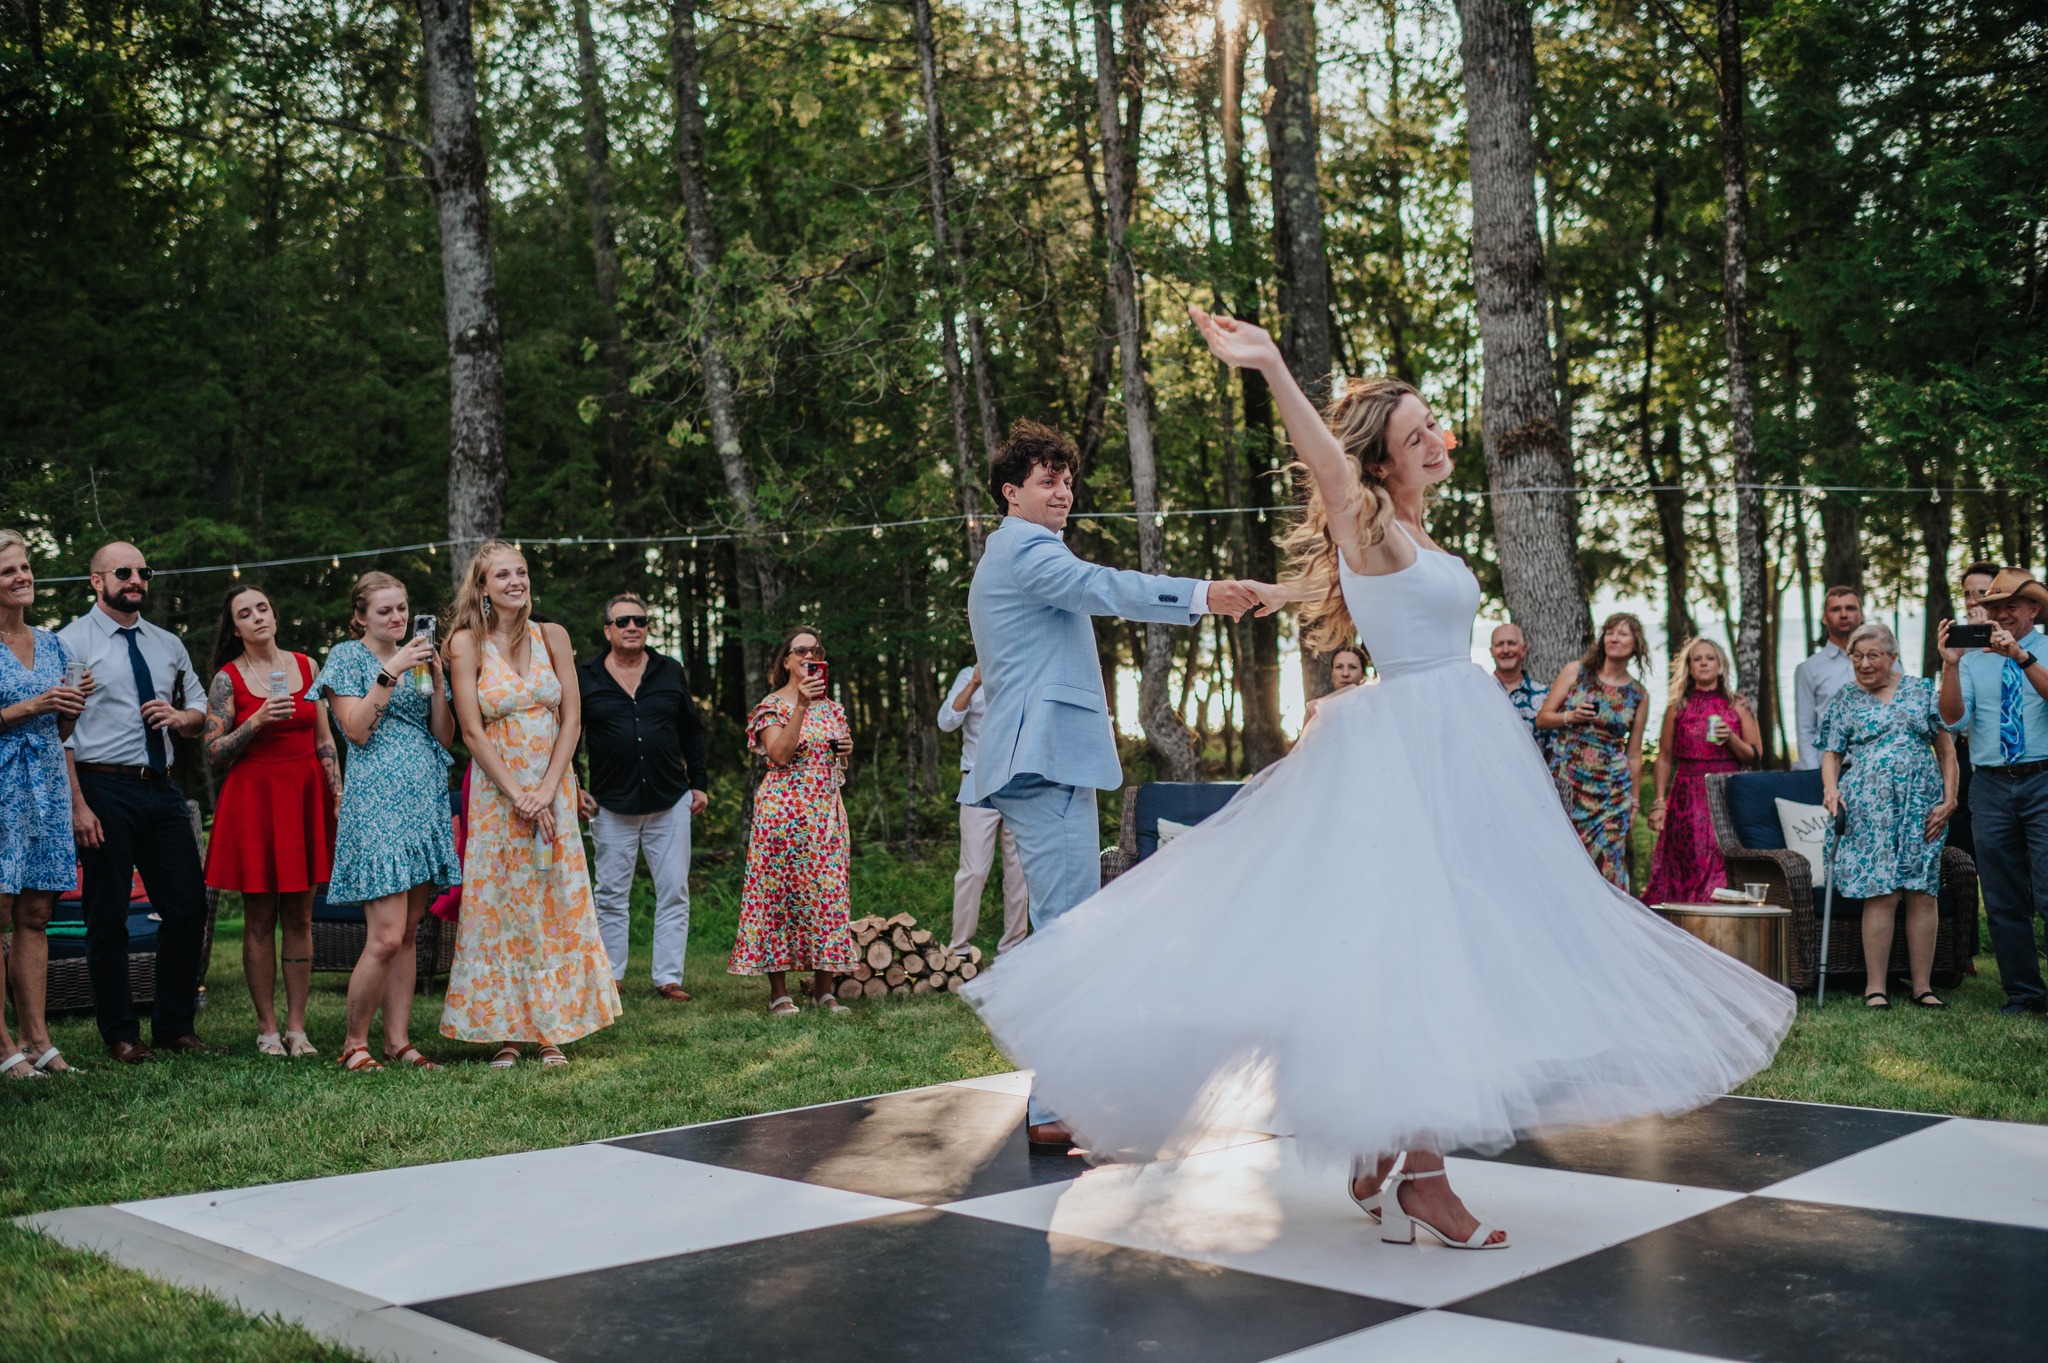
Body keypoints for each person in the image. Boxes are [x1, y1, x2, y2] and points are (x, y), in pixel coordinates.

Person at [960, 307, 1791, 1255]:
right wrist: (1271, 362)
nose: (1438, 438)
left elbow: (1352, 595)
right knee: (1424, 944)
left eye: (1435, 423)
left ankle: (1386, 1141)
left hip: (1456, 748)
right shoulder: (1371, 522)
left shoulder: (1412, 538)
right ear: (1382, 464)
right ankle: (1423, 1176)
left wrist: (1270, 594)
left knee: (1447, 942)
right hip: (1411, 751)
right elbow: (1326, 467)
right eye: (1414, 434)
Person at [959, 417, 1267, 1152]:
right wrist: (1202, 594)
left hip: (1044, 759)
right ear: (1012, 493)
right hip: (1046, 759)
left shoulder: (1020, 548)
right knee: (1068, 933)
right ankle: (1054, 1104)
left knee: (1067, 928)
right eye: (1046, 480)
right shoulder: (1026, 547)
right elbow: (1101, 586)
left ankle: (1061, 1096)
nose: (1063, 489)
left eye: (1067, 478)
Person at [445, 543, 621, 1066]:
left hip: (553, 789)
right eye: (503, 574)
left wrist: (547, 789)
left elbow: (572, 718)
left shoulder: (554, 636)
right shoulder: (463, 644)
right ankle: (506, 1033)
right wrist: (519, 795)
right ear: (482, 587)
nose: (516, 581)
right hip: (498, 797)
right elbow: (471, 732)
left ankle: (552, 1029)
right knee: (500, 909)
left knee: (554, 902)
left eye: (521, 572)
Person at [58, 541, 221, 1064]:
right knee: (105, 914)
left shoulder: (166, 642)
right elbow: (59, 735)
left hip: (161, 785)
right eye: (123, 571)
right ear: (95, 581)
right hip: (101, 786)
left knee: (188, 905)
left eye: (142, 571)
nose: (135, 579)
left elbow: (198, 706)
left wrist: (182, 719)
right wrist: (79, 805)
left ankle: (174, 1025)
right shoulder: (69, 643)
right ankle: (121, 1033)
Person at [315, 571, 463, 1071]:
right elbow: (355, 730)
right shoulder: (346, 658)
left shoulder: (422, 659)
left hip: (424, 799)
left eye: (402, 608)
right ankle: (354, 1043)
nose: (397, 617)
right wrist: (393, 669)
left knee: (408, 931)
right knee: (383, 935)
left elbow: (443, 737)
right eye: (385, 610)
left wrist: (439, 683)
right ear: (361, 616)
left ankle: (397, 1042)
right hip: (377, 803)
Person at [202, 585, 340, 1057]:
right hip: (255, 799)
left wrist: (336, 792)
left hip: (304, 795)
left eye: (263, 607)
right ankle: (267, 1028)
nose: (258, 616)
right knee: (260, 917)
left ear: (275, 616)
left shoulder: (307, 667)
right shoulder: (226, 679)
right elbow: (214, 751)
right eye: (246, 612)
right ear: (235, 627)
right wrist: (257, 720)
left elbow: (325, 739)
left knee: (300, 915)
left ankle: (298, 1028)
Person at [577, 593, 709, 1002]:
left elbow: (691, 729)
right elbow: (566, 735)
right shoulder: (586, 676)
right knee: (611, 894)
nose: (632, 627)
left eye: (639, 620)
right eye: (622, 621)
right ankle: (611, 976)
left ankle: (668, 977)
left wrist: (699, 783)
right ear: (607, 630)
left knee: (674, 890)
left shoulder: (670, 671)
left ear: (647, 627)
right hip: (610, 803)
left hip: (670, 800)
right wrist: (573, 784)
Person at [1820, 622, 1958, 1008]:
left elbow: (1946, 751)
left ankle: (1922, 987)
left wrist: (1950, 800)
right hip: (1868, 809)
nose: (1863, 664)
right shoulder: (1846, 698)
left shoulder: (1920, 691)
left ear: (1892, 657)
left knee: (1921, 892)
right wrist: (1831, 788)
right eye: (1856, 656)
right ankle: (1875, 988)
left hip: (1921, 806)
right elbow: (1831, 752)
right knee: (1881, 893)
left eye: (1872, 656)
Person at [730, 626, 860, 1014]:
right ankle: (779, 994)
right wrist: (801, 706)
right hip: (782, 815)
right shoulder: (772, 706)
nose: (808, 655)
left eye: (815, 650)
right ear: (785, 661)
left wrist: (844, 754)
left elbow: (834, 769)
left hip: (824, 815)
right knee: (779, 900)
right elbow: (780, 756)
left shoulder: (834, 709)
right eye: (800, 649)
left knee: (827, 898)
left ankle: (825, 990)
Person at [0, 529, 91, 1076]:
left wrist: (73, 704)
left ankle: (38, 1039)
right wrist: (32, 704)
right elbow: (29, 712)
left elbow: (59, 731)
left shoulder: (54, 643)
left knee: (35, 913)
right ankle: (0, 1042)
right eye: (9, 570)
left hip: (46, 787)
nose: (23, 576)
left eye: (26, 567)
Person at [1937, 568, 2048, 1017]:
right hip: (1990, 786)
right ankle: (2025, 995)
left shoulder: (2042, 649)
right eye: (1996, 606)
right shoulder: (1973, 658)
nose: (2001, 614)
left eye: (2011, 607)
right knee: (2002, 899)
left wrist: (2020, 656)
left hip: (2043, 780)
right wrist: (1949, 664)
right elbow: (1951, 721)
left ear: (2033, 610)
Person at [1538, 613, 1651, 890]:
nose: (1614, 638)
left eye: (1623, 634)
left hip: (1612, 793)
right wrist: (1571, 716)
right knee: (1563, 860)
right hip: (1569, 784)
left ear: (1636, 645)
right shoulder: (1576, 672)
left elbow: (1634, 754)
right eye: (1610, 632)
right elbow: (1543, 718)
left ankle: (1610, 929)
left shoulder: (1638, 694)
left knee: (1608, 868)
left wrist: (1634, 802)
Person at [1643, 638, 1759, 905]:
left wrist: (1731, 738)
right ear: (1689, 667)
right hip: (1687, 795)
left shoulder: (1737, 705)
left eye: (1710, 658)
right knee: (1688, 862)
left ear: (1720, 666)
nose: (1704, 663)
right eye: (1697, 659)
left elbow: (1754, 756)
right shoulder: (1677, 707)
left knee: (1721, 862)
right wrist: (1659, 802)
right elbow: (1664, 757)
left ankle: (1718, 925)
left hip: (1726, 792)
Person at [937, 662, 1029, 959]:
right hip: (977, 781)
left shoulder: (1023, 670)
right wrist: (974, 683)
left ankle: (1012, 950)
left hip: (1020, 781)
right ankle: (959, 949)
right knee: (974, 869)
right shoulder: (967, 675)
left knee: (1019, 871)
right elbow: (946, 722)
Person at [1947, 561, 2002, 861]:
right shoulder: (1959, 642)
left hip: (2001, 755)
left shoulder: (2018, 642)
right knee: (1959, 834)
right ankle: (1962, 901)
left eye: (1981, 593)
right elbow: (1950, 717)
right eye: (1967, 594)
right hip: (1964, 753)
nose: (1972, 601)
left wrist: (1985, 635)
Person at [1794, 586, 1869, 769]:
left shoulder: (1885, 663)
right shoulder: (1808, 669)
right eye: (1836, 609)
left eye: (1850, 608)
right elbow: (1806, 730)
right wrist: (1813, 776)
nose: (1843, 614)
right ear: (1824, 618)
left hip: (1877, 769)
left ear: (1861, 615)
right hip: (1831, 772)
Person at [1489, 622, 1550, 757]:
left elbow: (1552, 748)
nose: (1505, 650)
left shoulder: (1544, 696)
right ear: (1491, 651)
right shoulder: (1479, 693)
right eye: (1499, 644)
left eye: (1511, 643)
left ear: (1523, 649)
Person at [1303, 645, 1367, 722]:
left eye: (1352, 667)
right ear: (1332, 673)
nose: (1345, 674)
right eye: (1339, 667)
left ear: (1363, 674)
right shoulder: (1315, 709)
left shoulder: (1372, 705)